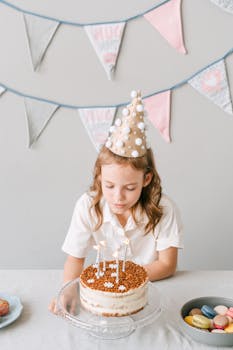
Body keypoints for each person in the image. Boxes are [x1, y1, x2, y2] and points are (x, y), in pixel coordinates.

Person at [49, 90, 183, 314]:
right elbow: (75, 258)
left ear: (146, 179)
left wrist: (124, 280)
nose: (118, 197)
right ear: (99, 176)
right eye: (109, 186)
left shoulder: (164, 208)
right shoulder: (87, 206)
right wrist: (68, 290)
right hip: (106, 297)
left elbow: (167, 265)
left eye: (130, 188)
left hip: (151, 293)